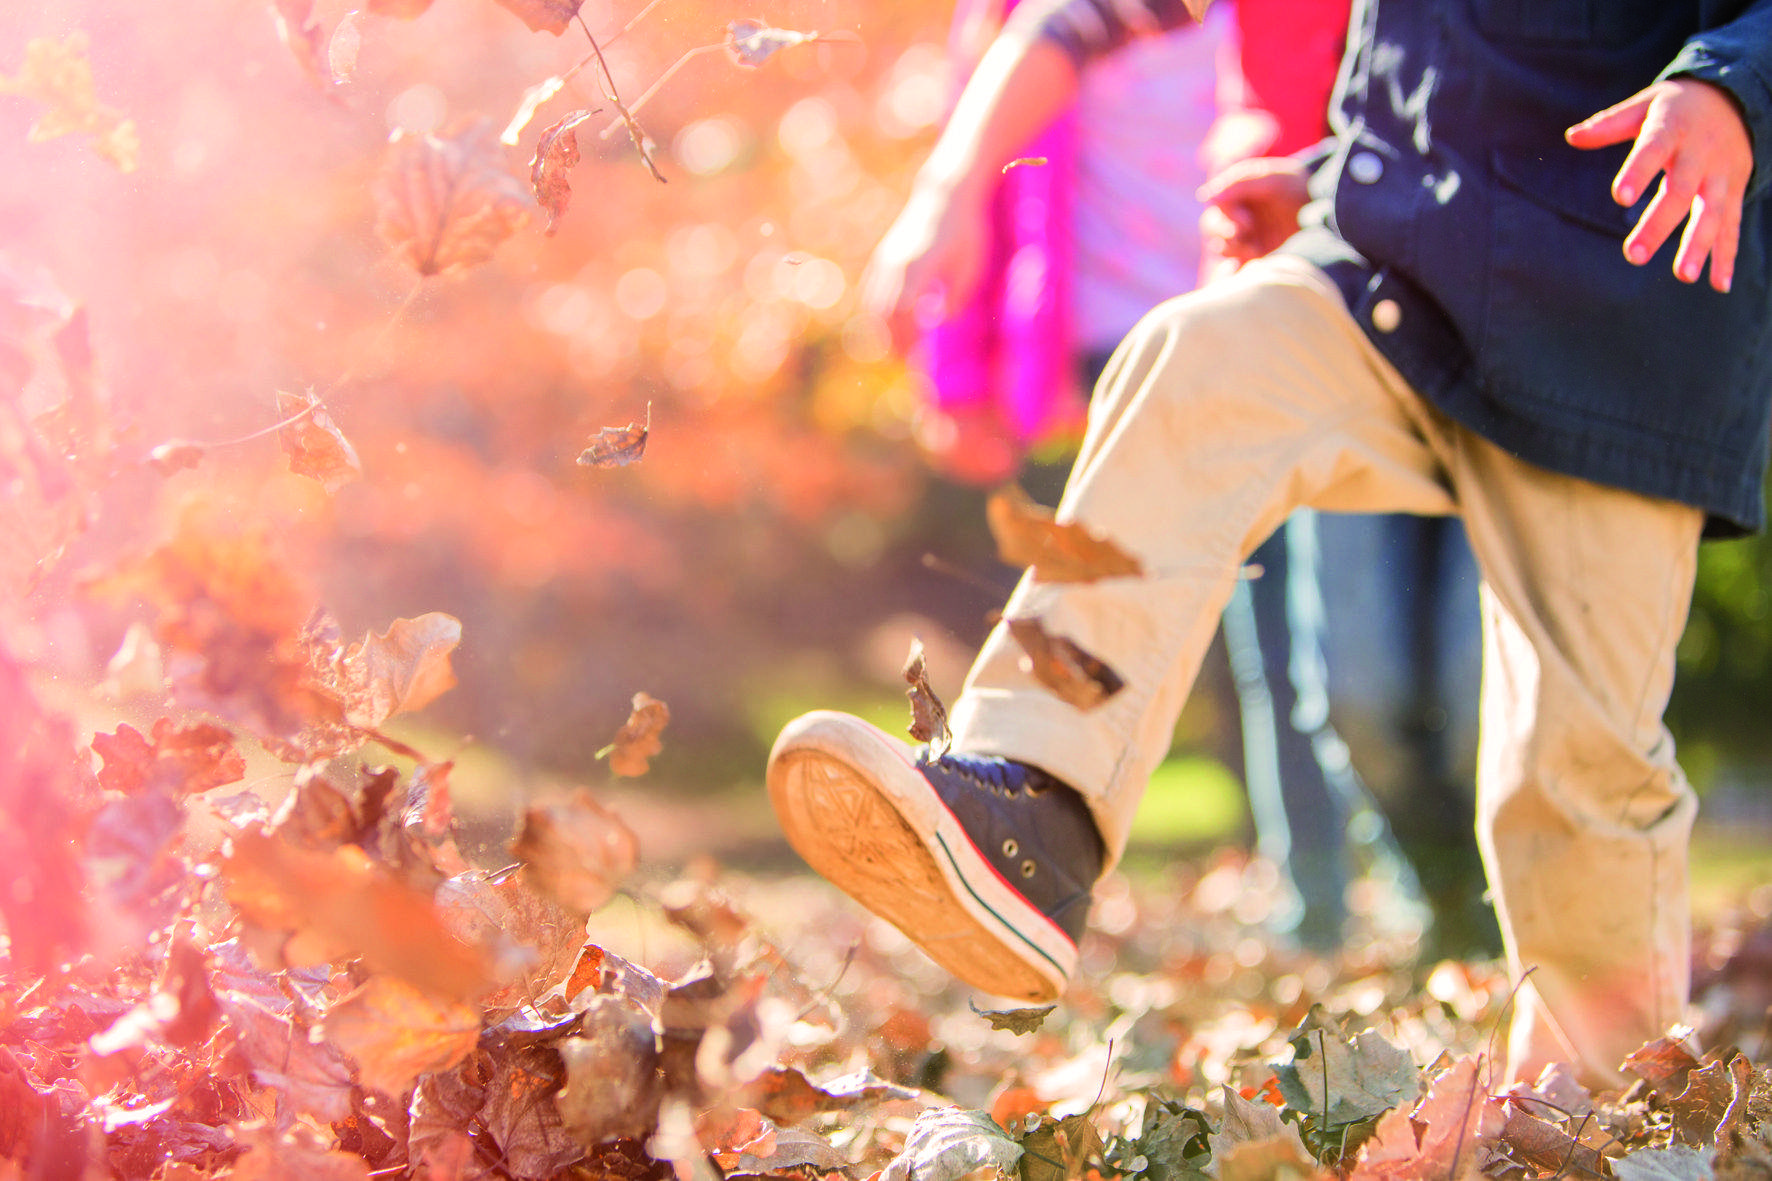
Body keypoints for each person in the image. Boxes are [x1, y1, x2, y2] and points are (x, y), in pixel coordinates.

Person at [770, 0, 1771, 1087]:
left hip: (1614, 316)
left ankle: (1601, 1103)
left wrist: (1734, 83)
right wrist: (1326, 174)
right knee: (1195, 360)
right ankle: (1033, 811)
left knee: (1575, 769)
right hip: (1396, 273)